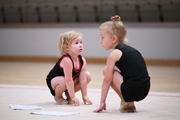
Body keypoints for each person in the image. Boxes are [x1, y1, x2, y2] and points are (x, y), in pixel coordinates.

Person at [93, 15, 150, 113]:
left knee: (107, 70)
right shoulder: (132, 50)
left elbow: (107, 81)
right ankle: (128, 102)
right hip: (145, 90)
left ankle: (127, 102)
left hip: (133, 90)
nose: (100, 41)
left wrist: (102, 102)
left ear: (114, 38)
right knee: (116, 70)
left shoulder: (114, 54)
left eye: (102, 37)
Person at [46, 30, 92, 106]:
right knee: (64, 81)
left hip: (68, 80)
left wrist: (85, 96)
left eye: (81, 42)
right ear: (67, 47)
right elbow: (68, 80)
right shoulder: (66, 60)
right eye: (76, 43)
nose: (80, 45)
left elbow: (83, 79)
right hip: (55, 82)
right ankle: (58, 97)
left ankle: (68, 94)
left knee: (87, 76)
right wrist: (73, 97)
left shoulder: (82, 60)